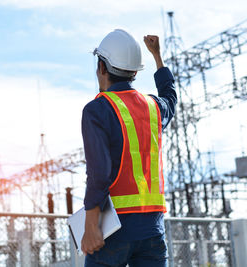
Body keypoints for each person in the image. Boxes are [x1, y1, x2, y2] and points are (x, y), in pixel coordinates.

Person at [81, 29, 177, 267]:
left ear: (102, 68)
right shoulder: (154, 107)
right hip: (152, 228)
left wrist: (91, 226)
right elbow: (171, 98)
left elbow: (99, 173)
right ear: (135, 72)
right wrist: (157, 57)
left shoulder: (97, 110)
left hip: (113, 230)